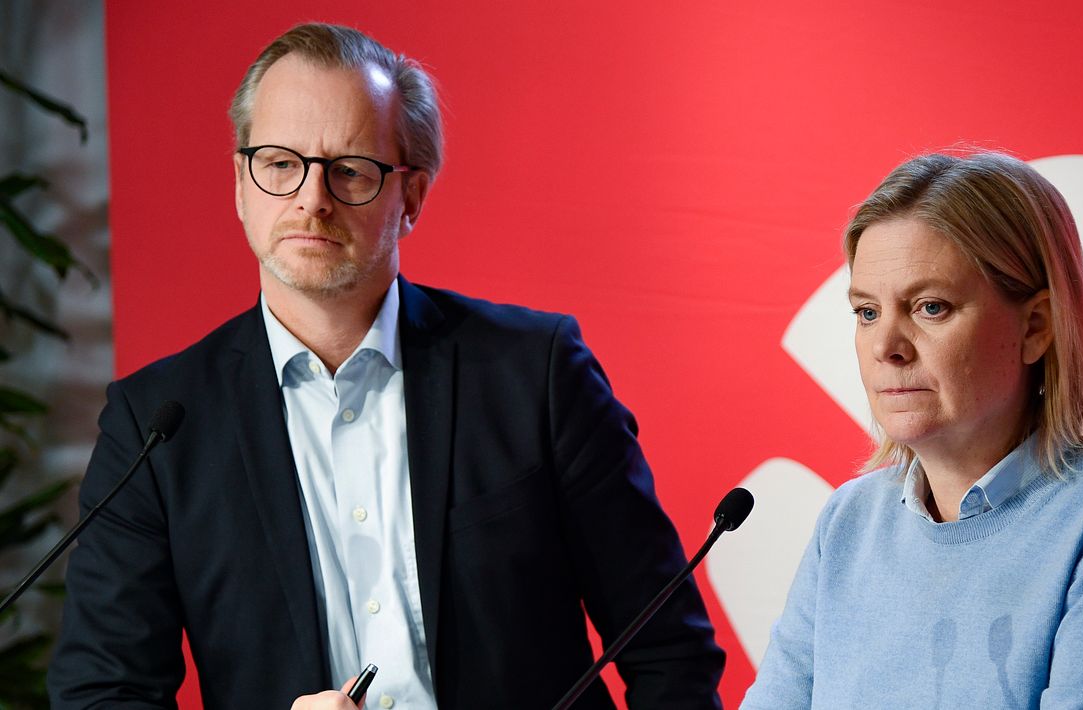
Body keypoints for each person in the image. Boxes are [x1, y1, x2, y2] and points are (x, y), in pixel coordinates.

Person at [48, 23, 724, 709]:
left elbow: (668, 650)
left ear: (412, 198)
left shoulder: (536, 375)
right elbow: (101, 695)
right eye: (279, 164)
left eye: (349, 170)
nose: (312, 198)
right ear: (241, 185)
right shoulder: (157, 426)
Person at [741, 152, 1083, 708]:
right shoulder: (848, 521)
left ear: (1036, 327)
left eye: (930, 307)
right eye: (867, 312)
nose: (885, 346)